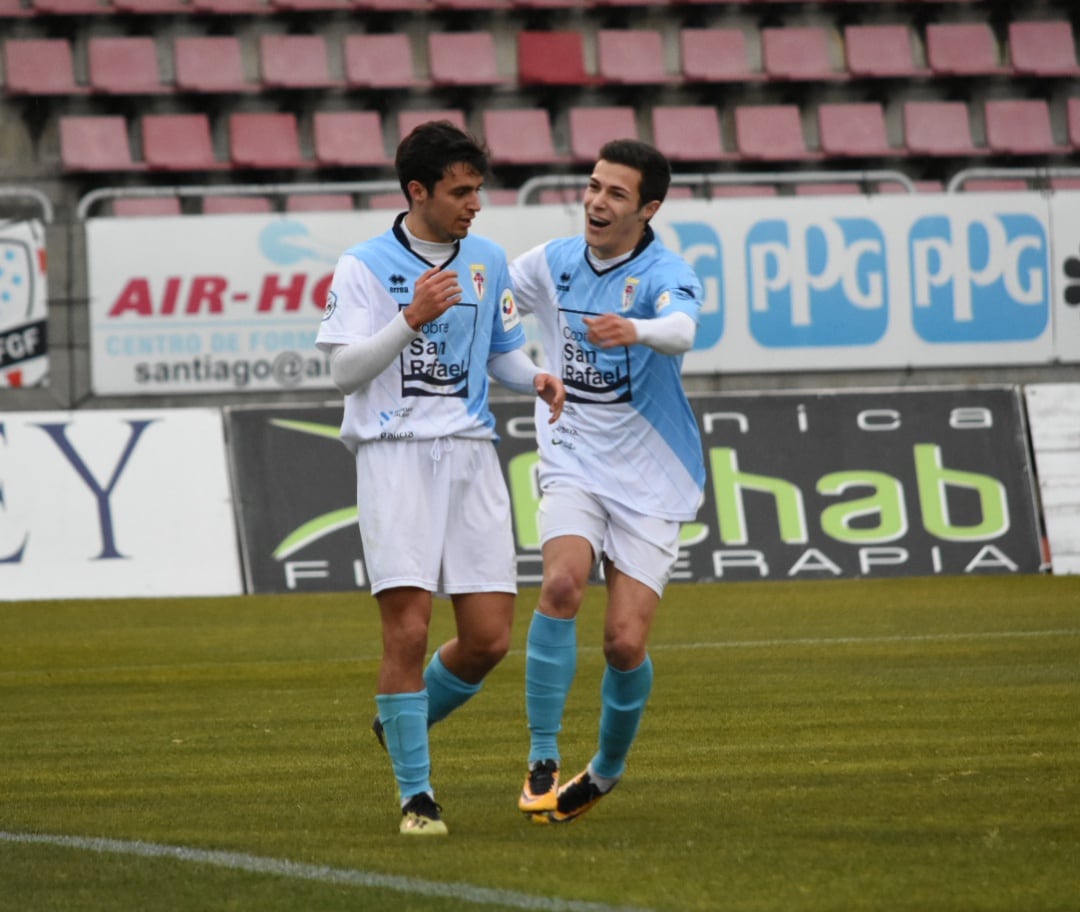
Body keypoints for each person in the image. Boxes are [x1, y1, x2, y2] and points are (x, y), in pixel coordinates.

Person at [316, 121, 565, 836]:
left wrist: (536, 377)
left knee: (488, 639)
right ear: (416, 191)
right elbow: (343, 372)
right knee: (409, 631)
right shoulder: (362, 266)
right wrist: (410, 318)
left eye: (478, 189)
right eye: (461, 191)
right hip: (395, 456)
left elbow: (502, 354)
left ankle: (401, 722)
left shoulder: (486, 259)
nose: (475, 204)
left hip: (471, 455)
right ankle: (416, 797)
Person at [509, 140, 705, 824]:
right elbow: (491, 293)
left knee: (624, 641)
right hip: (573, 454)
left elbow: (682, 329)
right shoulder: (553, 262)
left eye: (617, 194)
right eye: (594, 186)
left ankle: (609, 769)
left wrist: (640, 330)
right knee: (560, 584)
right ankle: (541, 754)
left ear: (648, 208)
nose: (597, 201)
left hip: (653, 472)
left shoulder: (663, 272)